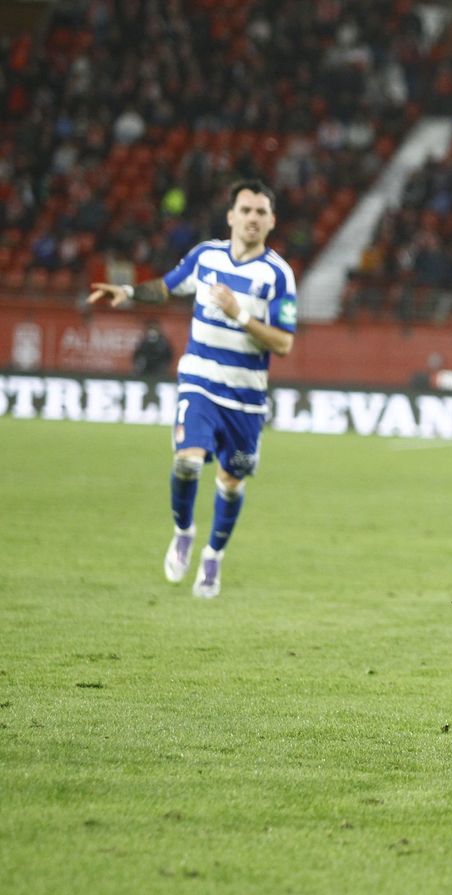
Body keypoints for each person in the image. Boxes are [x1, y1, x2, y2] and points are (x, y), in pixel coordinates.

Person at [88, 179, 296, 598]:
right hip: (200, 382)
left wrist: (239, 314)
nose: (252, 218)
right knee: (186, 461)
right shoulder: (206, 256)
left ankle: (213, 557)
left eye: (261, 212)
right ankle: (183, 531)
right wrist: (127, 292)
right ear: (231, 216)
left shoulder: (277, 275)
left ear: (271, 221)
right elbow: (166, 286)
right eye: (246, 210)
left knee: (231, 481)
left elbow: (284, 342)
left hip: (244, 397)